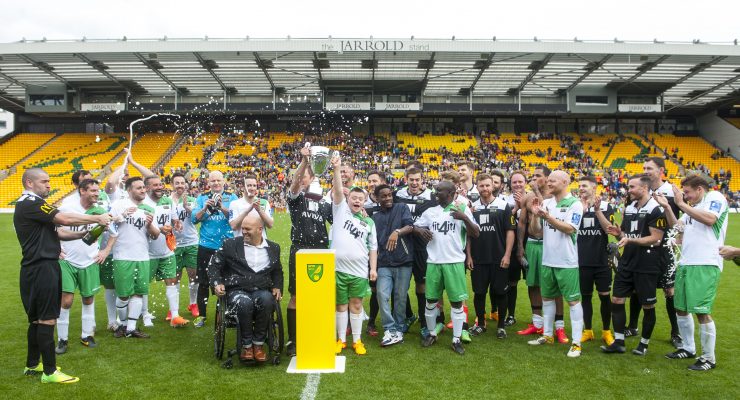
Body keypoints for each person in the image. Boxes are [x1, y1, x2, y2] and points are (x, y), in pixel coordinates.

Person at [15, 168, 111, 384]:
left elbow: (56, 232)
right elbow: (63, 219)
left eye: (49, 181)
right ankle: (50, 372)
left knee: (36, 321)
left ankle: (32, 365)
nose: (49, 185)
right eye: (44, 181)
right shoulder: (33, 202)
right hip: (43, 268)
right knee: (47, 319)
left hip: (33, 269)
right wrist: (96, 217)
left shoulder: (27, 203)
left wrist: (81, 234)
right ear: (29, 183)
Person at [656, 175, 728, 371]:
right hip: (687, 263)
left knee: (702, 311)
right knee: (681, 307)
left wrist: (680, 203)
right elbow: (678, 227)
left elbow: (710, 219)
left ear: (699, 189)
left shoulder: (715, 197)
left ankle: (708, 358)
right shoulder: (692, 209)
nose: (685, 196)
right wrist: (668, 207)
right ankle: (688, 348)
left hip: (705, 263)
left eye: (687, 192)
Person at [601, 174, 667, 356]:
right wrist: (618, 233)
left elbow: (656, 239)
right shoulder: (629, 208)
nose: (628, 190)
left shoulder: (656, 209)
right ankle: (619, 342)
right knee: (617, 300)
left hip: (647, 264)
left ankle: (643, 344)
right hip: (627, 261)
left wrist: (629, 239)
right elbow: (625, 236)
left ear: (644, 188)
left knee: (647, 305)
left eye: (632, 187)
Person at [415, 181, 480, 355]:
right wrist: (419, 231)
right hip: (434, 263)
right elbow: (417, 227)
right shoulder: (430, 212)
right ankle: (430, 333)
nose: (436, 194)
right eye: (436, 191)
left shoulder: (462, 209)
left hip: (454, 262)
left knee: (456, 302)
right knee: (430, 301)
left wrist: (465, 217)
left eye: (440, 191)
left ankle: (456, 339)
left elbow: (476, 233)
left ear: (451, 193)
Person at [208, 215, 283, 362]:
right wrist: (217, 283)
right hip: (237, 289)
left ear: (260, 229)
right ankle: (247, 346)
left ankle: (258, 345)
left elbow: (277, 271)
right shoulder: (230, 244)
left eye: (247, 229)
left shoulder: (273, 248)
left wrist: (277, 286)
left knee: (267, 300)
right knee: (244, 303)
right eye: (242, 229)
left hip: (261, 289)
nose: (244, 232)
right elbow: (214, 266)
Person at [527, 170, 585, 358]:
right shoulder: (547, 203)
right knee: (547, 298)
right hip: (547, 260)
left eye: (553, 181)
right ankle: (547, 335)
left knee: (573, 301)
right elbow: (536, 232)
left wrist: (548, 217)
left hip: (566, 262)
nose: (549, 183)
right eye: (548, 180)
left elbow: (570, 229)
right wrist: (536, 215)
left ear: (565, 182)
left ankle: (576, 343)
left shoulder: (574, 204)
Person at [55, 179, 113, 354]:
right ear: (82, 191)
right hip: (67, 261)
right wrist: (56, 248)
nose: (97, 194)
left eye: (98, 191)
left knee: (88, 299)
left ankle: (87, 336)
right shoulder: (67, 209)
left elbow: (114, 233)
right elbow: (54, 230)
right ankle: (62, 340)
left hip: (89, 261)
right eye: (93, 191)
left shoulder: (101, 212)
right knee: (66, 300)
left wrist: (105, 251)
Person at [285, 145, 333, 357]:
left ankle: (318, 334)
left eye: (305, 176)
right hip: (300, 250)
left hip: (322, 251)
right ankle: (294, 340)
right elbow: (294, 185)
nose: (301, 179)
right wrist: (304, 161)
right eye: (299, 176)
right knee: (296, 296)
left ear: (312, 177)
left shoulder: (323, 201)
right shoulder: (295, 200)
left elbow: (337, 220)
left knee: (319, 297)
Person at [329, 155, 378, 355]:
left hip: (358, 270)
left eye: (360, 199)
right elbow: (338, 189)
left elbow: (373, 247)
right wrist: (337, 168)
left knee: (356, 304)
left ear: (364, 202)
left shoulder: (369, 223)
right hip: (338, 269)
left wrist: (373, 269)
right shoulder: (340, 211)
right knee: (340, 305)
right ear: (348, 200)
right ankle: (341, 340)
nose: (356, 201)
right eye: (354, 198)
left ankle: (357, 341)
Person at [517, 166, 567, 343]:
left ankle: (559, 327)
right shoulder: (528, 198)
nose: (534, 179)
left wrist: (538, 191)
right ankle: (537, 323)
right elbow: (522, 223)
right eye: (533, 176)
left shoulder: (556, 199)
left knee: (555, 286)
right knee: (533, 283)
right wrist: (520, 247)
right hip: (532, 244)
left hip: (550, 245)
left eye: (538, 176)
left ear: (547, 178)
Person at [109, 177, 160, 339]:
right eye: (138, 188)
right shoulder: (119, 205)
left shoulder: (149, 208)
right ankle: (122, 326)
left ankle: (131, 328)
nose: (143, 190)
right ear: (129, 190)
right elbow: (107, 225)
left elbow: (156, 234)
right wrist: (122, 216)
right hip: (123, 256)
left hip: (143, 256)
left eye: (144, 188)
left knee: (139, 292)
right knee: (123, 294)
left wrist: (150, 224)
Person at [467, 172, 515, 339]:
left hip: (499, 258)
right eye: (481, 186)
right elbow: (468, 235)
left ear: (493, 186)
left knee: (500, 293)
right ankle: (481, 324)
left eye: (488, 185)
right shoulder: (472, 207)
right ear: (477, 187)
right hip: (479, 259)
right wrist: (469, 256)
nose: (485, 188)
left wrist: (507, 255)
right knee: (479, 293)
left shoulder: (503, 206)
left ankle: (501, 326)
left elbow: (510, 232)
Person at [643, 157, 682, 348]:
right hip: (645, 246)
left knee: (669, 290)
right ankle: (633, 326)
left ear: (661, 171)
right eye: (644, 168)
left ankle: (676, 332)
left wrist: (674, 240)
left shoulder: (671, 192)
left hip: (665, 247)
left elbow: (676, 222)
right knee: (638, 286)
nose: (645, 171)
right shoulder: (641, 189)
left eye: (649, 168)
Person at [192, 171, 239, 328]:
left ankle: (227, 314)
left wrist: (221, 207)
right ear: (209, 183)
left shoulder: (232, 197)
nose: (216, 183)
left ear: (224, 181)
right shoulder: (202, 198)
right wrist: (206, 208)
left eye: (219, 180)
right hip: (206, 246)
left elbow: (236, 217)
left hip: (227, 246)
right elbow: (194, 219)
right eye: (213, 181)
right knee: (203, 282)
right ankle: (202, 316)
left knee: (229, 281)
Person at [395, 166, 437, 336]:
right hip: (402, 245)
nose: (414, 183)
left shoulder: (431, 197)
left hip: (421, 247)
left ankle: (423, 321)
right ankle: (408, 316)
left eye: (417, 179)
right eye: (411, 179)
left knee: (421, 284)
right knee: (400, 286)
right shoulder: (397, 195)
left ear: (422, 179)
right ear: (406, 178)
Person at [371, 183, 415, 347]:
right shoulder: (374, 218)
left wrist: (397, 232)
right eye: (384, 196)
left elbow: (410, 226)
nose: (388, 198)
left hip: (403, 261)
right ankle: (389, 328)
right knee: (382, 295)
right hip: (384, 263)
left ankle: (399, 327)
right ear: (377, 198)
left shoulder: (402, 207)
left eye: (390, 195)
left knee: (400, 297)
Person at [143, 174, 188, 327]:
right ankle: (144, 314)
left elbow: (175, 219)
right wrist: (158, 229)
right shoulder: (142, 203)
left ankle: (175, 316)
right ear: (147, 187)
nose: (159, 187)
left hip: (167, 250)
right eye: (155, 185)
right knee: (143, 285)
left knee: (172, 281)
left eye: (160, 184)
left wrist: (177, 224)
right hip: (147, 253)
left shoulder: (168, 201)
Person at [577, 176, 616, 345]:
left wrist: (597, 210)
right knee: (585, 298)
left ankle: (606, 331)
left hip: (601, 261)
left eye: (584, 186)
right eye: (579, 186)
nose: (581, 188)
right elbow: (568, 229)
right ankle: (588, 330)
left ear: (594, 188)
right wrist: (583, 210)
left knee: (604, 297)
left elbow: (610, 230)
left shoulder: (607, 206)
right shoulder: (576, 206)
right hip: (582, 260)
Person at [170, 172, 200, 318]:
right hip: (174, 244)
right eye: (177, 183)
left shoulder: (192, 200)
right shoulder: (166, 201)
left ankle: (193, 303)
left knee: (193, 275)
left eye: (182, 183)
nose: (180, 185)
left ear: (186, 185)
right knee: (175, 277)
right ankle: (173, 308)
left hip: (192, 242)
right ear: (172, 185)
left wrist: (187, 206)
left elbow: (196, 218)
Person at [503, 171, 527, 326]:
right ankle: (510, 315)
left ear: (525, 182)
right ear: (510, 184)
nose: (517, 184)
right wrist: (517, 207)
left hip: (529, 244)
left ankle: (539, 319)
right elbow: (504, 221)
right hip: (511, 247)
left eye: (520, 181)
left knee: (534, 284)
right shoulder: (504, 200)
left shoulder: (532, 198)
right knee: (511, 282)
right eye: (514, 182)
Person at [229, 174, 273, 239]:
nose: (252, 188)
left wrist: (259, 210)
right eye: (249, 185)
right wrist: (248, 210)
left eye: (254, 186)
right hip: (242, 245)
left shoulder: (264, 203)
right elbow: (233, 226)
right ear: (243, 187)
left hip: (260, 245)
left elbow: (270, 225)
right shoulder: (235, 204)